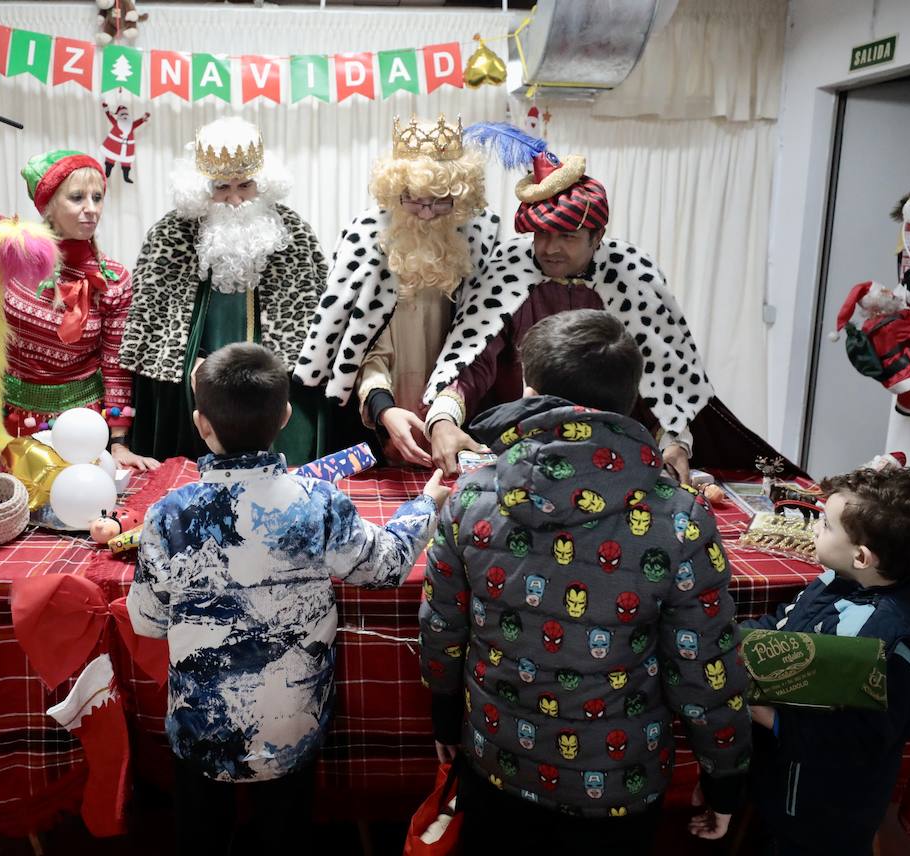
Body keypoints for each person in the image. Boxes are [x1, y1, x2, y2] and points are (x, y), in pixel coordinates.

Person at [418, 310, 751, 849]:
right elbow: (704, 665)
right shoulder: (680, 519)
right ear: (631, 396)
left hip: (497, 761)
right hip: (619, 783)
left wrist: (443, 716)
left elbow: (442, 630)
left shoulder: (471, 498)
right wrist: (725, 780)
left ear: (530, 388)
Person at [125, 342, 448, 855]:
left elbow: (145, 620)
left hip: (200, 727)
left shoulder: (169, 515)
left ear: (200, 423)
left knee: (200, 834)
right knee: (286, 832)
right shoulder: (317, 503)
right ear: (286, 417)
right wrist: (426, 504)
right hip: (295, 724)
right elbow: (386, 565)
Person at [424, 125, 790, 483]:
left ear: (597, 235)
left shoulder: (635, 276)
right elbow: (471, 361)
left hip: (613, 455)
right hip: (517, 449)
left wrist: (675, 442)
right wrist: (442, 419)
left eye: (567, 236)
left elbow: (663, 379)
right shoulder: (506, 268)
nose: (550, 248)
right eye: (542, 234)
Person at [744, 466, 910, 855]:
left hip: (824, 808)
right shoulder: (841, 578)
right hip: (783, 781)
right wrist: (736, 641)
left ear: (862, 556)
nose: (815, 528)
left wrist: (769, 717)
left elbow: (858, 742)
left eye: (826, 525)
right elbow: (784, 622)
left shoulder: (889, 643)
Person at [0, 102, 157, 470]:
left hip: (82, 428)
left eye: (97, 198)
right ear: (47, 205)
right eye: (77, 198)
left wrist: (119, 443)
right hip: (8, 420)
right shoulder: (12, 245)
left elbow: (114, 364)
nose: (91, 208)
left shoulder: (113, 279)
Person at [294, 115, 501, 467]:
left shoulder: (479, 238)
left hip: (460, 405)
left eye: (441, 202)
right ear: (394, 192)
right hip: (378, 414)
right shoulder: (368, 236)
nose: (426, 214)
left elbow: (483, 338)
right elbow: (361, 341)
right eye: (414, 200)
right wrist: (381, 407)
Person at [122, 117, 328, 465]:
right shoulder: (170, 236)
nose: (234, 199)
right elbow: (154, 328)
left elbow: (316, 328)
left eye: (245, 185)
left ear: (263, 184)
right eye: (221, 187)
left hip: (277, 387)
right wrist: (194, 364)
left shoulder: (294, 234)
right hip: (194, 387)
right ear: (201, 189)